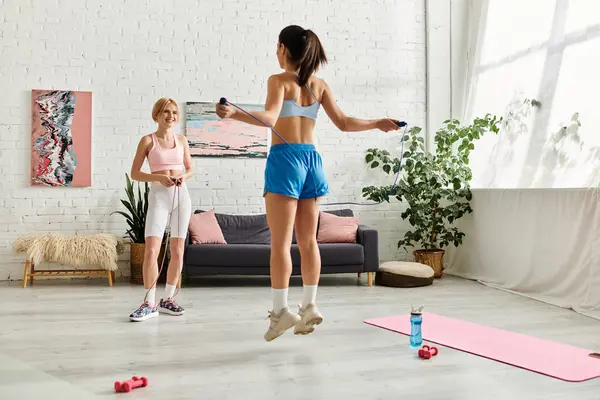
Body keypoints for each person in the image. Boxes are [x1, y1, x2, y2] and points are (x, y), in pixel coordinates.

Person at [216, 25, 400, 341]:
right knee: (308, 242)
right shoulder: (319, 85)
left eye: (277, 46)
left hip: (285, 160)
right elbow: (344, 123)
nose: (276, 51)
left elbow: (271, 119)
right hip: (312, 161)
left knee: (279, 243)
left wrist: (233, 113)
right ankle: (310, 305)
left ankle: (281, 312)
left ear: (285, 49)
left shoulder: (279, 81)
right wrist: (377, 123)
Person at [128, 98, 193, 322]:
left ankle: (167, 299)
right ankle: (149, 303)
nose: (171, 116)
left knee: (177, 251)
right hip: (159, 197)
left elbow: (190, 168)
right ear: (157, 114)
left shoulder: (182, 140)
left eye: (174, 112)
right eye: (166, 111)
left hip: (181, 197)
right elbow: (135, 173)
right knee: (152, 250)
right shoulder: (148, 141)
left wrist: (183, 176)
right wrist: (159, 177)